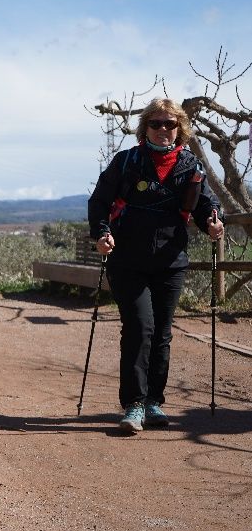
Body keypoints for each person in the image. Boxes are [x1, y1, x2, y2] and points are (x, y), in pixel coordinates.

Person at [88, 98, 224, 433]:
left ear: (180, 129)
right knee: (139, 328)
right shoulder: (126, 161)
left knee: (161, 334)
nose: (163, 129)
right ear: (145, 126)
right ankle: (134, 404)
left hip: (170, 261)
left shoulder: (190, 166)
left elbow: (208, 203)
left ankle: (154, 402)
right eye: (156, 123)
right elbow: (99, 202)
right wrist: (102, 233)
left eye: (170, 124)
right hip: (127, 260)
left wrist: (213, 221)